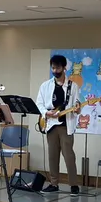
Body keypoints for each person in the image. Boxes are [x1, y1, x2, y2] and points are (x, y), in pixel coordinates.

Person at [36, 55, 81, 194]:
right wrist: (46, 112)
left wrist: (77, 109)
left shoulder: (73, 86)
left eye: (58, 68)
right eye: (53, 68)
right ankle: (54, 184)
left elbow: (77, 104)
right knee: (52, 156)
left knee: (69, 156)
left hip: (66, 126)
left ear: (64, 68)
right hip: (50, 125)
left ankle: (74, 185)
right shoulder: (45, 85)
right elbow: (39, 103)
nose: (55, 71)